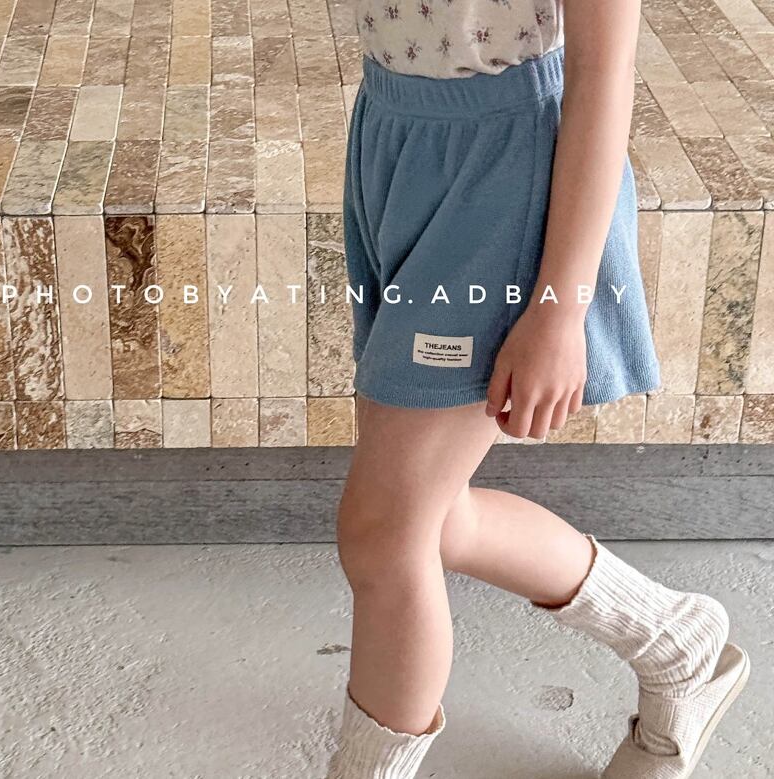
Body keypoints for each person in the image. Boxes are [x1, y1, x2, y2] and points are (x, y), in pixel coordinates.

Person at [326, 1, 751, 777]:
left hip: (506, 174)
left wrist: (560, 307)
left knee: (385, 533)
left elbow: (604, 72)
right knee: (429, 516)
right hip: (395, 139)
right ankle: (674, 640)